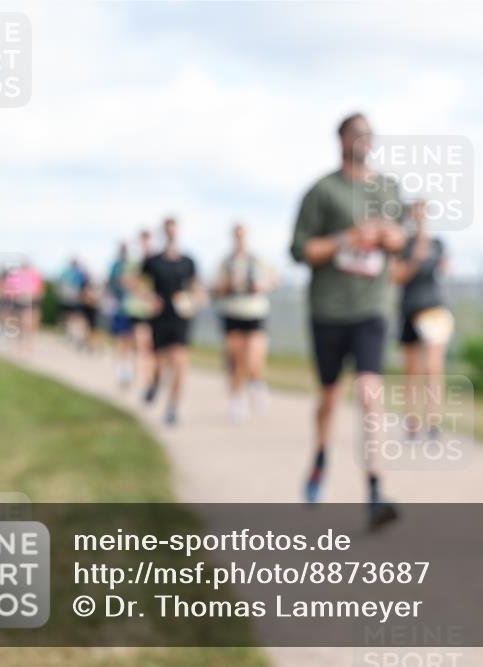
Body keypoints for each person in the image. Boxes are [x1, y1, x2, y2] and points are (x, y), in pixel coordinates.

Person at [290, 112, 406, 529]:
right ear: (340, 139)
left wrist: (386, 235)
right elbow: (300, 250)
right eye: (356, 133)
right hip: (328, 309)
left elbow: (401, 237)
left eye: (369, 134)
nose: (363, 140)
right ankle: (320, 456)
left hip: (371, 307)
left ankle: (375, 491)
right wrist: (346, 239)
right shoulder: (322, 191)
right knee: (330, 396)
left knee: (370, 393)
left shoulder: (387, 188)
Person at [390, 200, 452, 439]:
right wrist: (415, 260)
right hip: (409, 309)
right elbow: (397, 277)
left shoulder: (437, 244)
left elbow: (446, 269)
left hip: (433, 310)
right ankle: (412, 421)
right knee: (412, 370)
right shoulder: (403, 245)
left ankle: (433, 420)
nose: (421, 217)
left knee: (433, 368)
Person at [212, 222, 278, 422]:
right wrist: (228, 284)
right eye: (237, 235)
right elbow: (215, 288)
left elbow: (274, 278)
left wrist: (262, 285)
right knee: (235, 359)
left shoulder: (257, 259)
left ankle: (256, 383)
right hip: (233, 312)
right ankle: (237, 398)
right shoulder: (226, 262)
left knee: (255, 355)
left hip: (255, 312)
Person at [141, 217, 201, 425]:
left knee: (179, 362)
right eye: (168, 230)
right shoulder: (153, 261)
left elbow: (197, 288)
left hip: (180, 318)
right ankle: (155, 383)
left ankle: (173, 407)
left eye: (174, 230)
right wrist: (149, 298)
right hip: (159, 317)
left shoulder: (188, 262)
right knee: (159, 363)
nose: (171, 234)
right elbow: (139, 284)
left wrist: (193, 301)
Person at [123, 229, 158, 388]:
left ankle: (147, 376)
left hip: (152, 310)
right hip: (137, 309)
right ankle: (146, 379)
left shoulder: (156, 261)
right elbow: (128, 282)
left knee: (148, 345)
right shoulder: (134, 262)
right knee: (141, 343)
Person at [107, 242, 135, 387]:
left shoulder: (131, 265)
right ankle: (120, 371)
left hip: (131, 309)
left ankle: (126, 369)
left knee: (129, 341)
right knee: (120, 340)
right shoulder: (115, 266)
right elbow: (111, 285)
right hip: (119, 309)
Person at [2, 261, 44, 351]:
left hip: (28, 300)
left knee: (25, 322)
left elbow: (39, 289)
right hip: (23, 300)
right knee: (22, 322)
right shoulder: (29, 274)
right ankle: (24, 343)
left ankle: (26, 343)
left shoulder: (32, 274)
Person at [57, 258, 88, 345]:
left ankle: (69, 333)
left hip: (68, 299)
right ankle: (70, 334)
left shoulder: (67, 272)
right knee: (72, 317)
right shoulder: (78, 273)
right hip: (73, 299)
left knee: (68, 317)